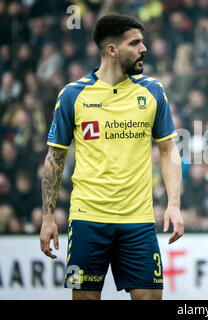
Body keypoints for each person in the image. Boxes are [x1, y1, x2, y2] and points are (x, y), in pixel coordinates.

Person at [39, 14, 184, 300]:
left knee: (150, 298)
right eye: (135, 43)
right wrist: (47, 217)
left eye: (142, 42)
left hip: (139, 221)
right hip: (86, 221)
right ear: (112, 50)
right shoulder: (72, 95)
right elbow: (54, 158)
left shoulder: (153, 91)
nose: (144, 49)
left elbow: (168, 151)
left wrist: (174, 204)